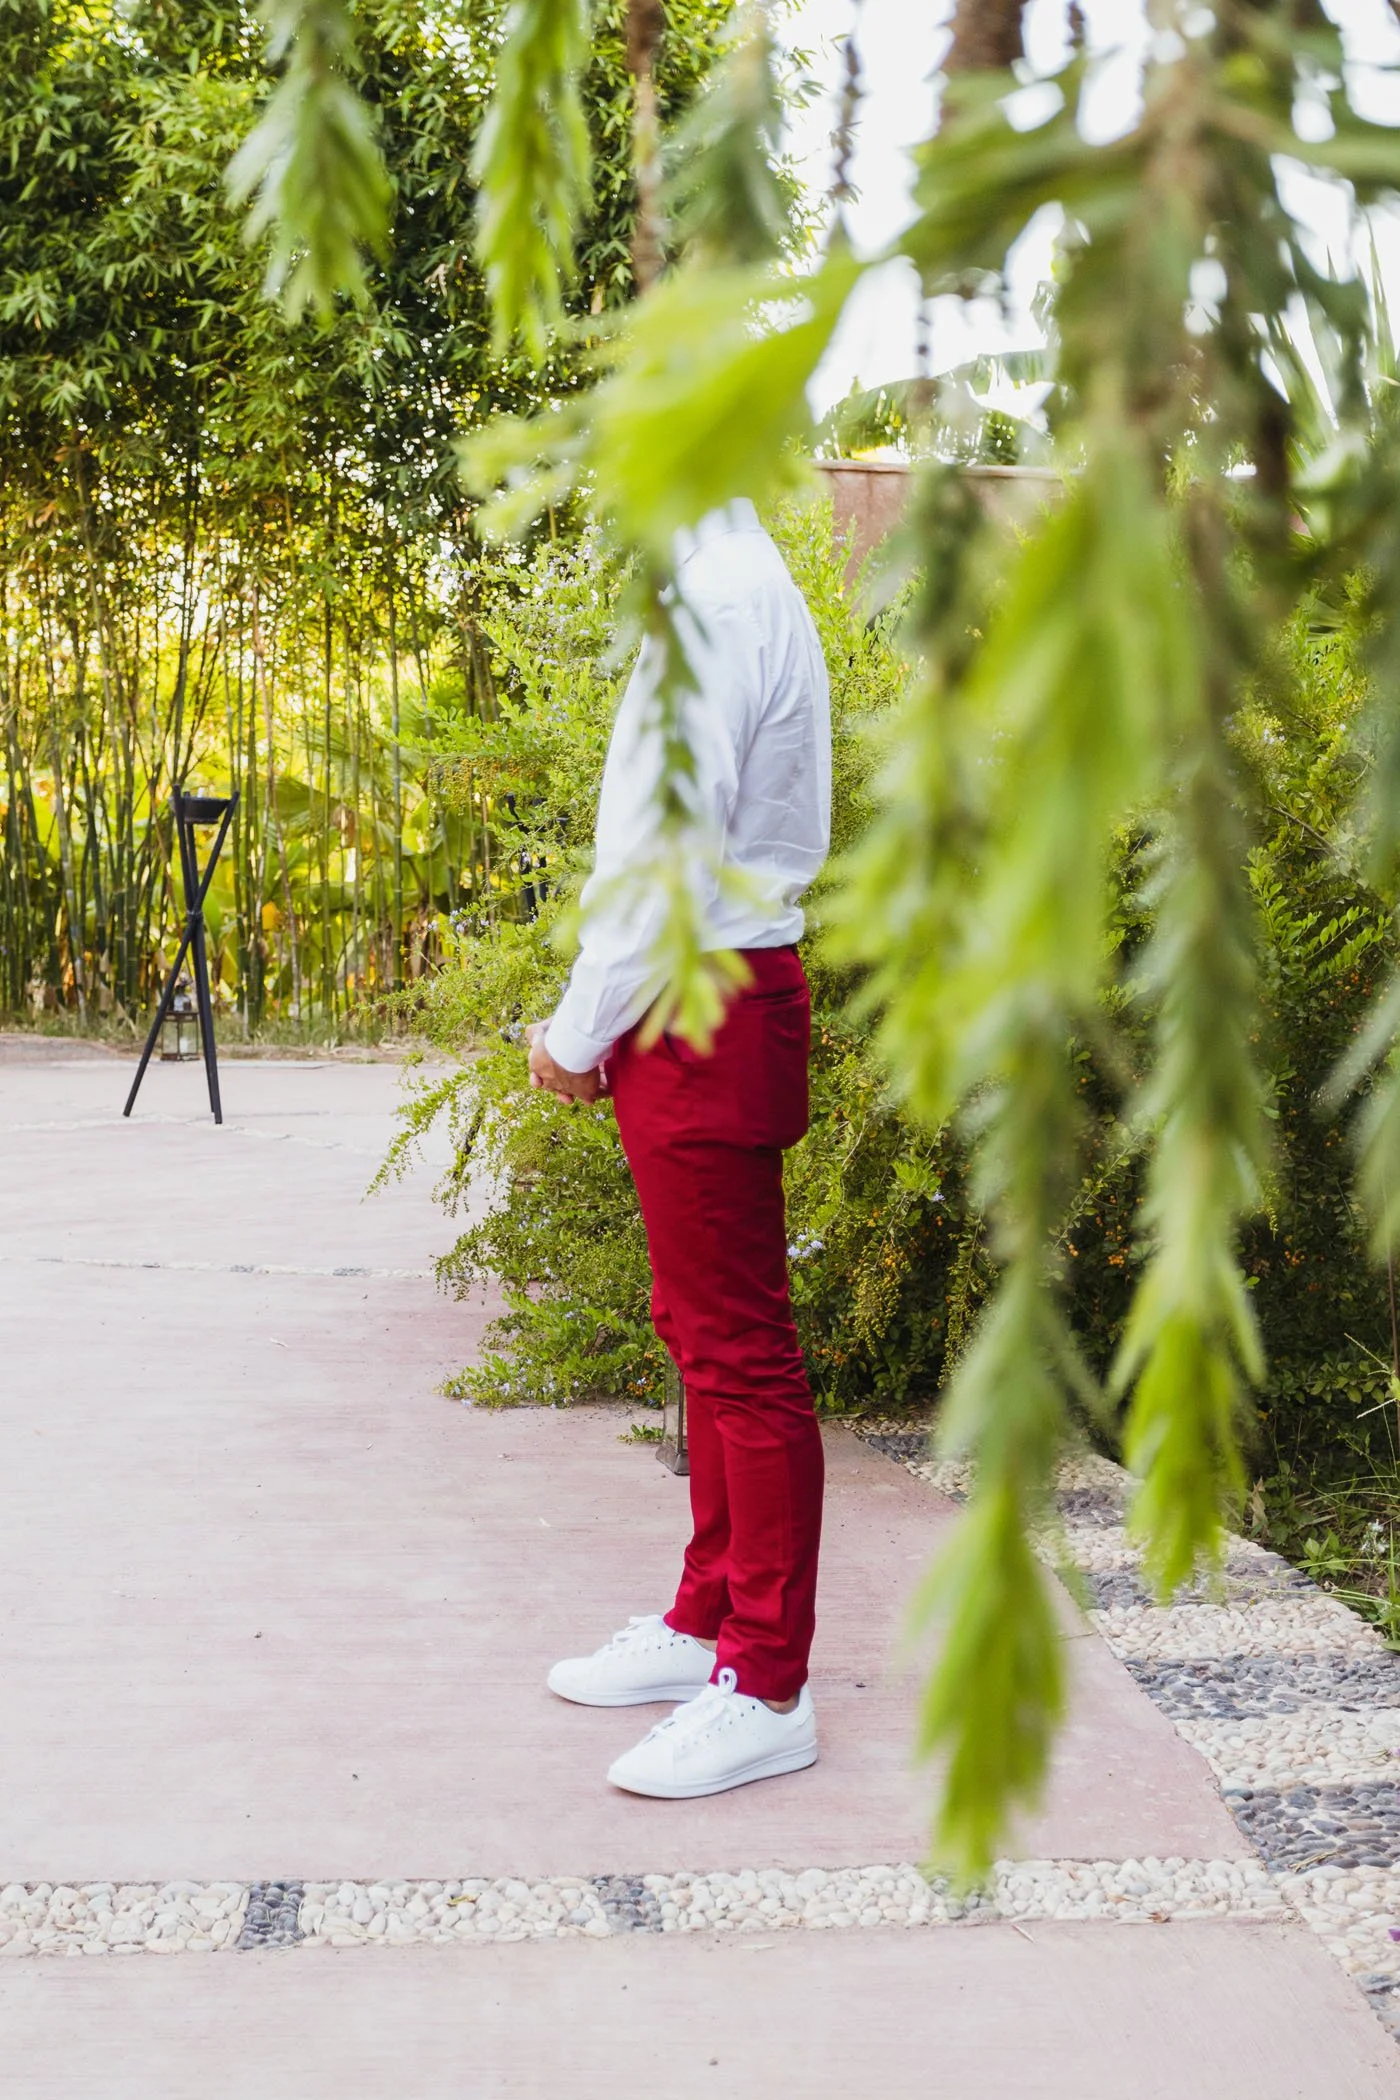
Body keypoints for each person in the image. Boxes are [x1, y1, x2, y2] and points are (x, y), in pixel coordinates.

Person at [525, 497, 832, 1800]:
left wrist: (576, 1031)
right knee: (701, 1325)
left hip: (695, 994)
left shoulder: (717, 599)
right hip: (702, 992)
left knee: (740, 1351)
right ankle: (707, 1615)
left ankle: (766, 1684)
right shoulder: (718, 578)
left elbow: (668, 855)